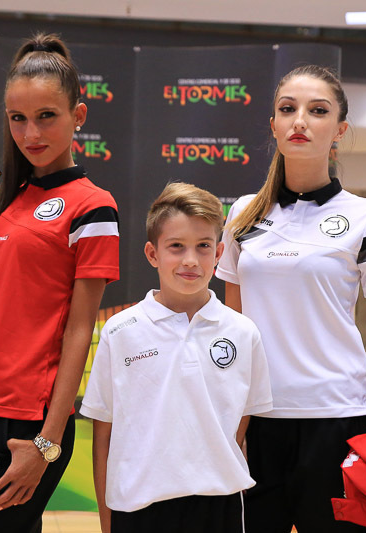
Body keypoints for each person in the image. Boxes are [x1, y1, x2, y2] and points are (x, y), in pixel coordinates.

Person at [217, 65, 366, 532]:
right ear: (274, 125)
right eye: (288, 109)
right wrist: (228, 418)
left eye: (318, 111)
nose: (300, 121)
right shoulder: (242, 214)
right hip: (257, 423)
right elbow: (231, 328)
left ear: (340, 129)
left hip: (339, 423)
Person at [0, 33, 119, 532]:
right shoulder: (0, 197)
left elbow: (80, 330)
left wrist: (47, 443)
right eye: (17, 118)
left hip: (24, 421)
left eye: (47, 116)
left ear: (78, 115)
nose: (31, 133)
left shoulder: (93, 206)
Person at [81, 182, 273, 533]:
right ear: (152, 254)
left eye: (203, 247)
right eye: (176, 246)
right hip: (138, 509)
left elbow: (240, 424)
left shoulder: (243, 332)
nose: (190, 260)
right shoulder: (119, 331)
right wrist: (107, 523)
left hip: (219, 505)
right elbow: (104, 435)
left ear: (219, 253)